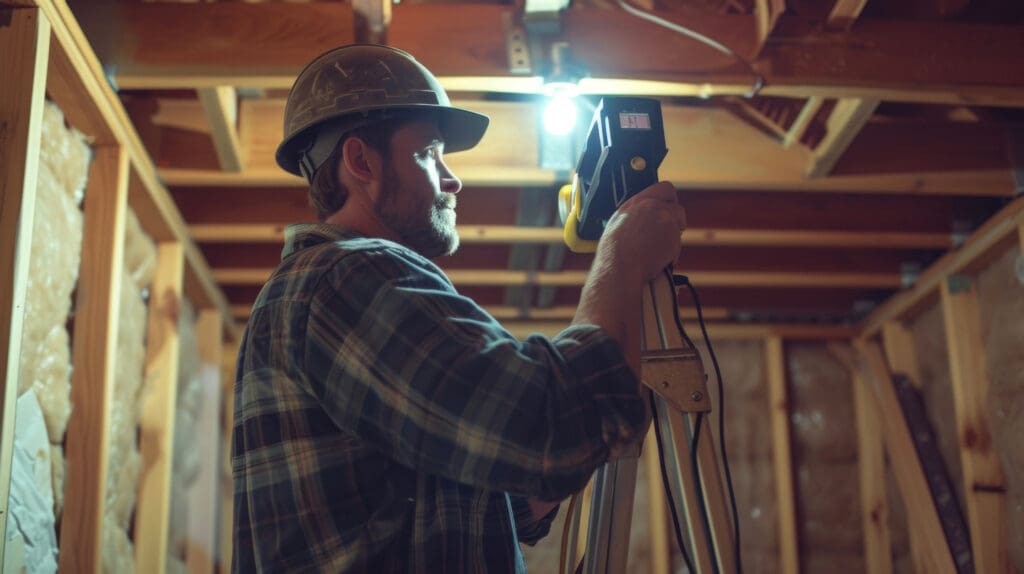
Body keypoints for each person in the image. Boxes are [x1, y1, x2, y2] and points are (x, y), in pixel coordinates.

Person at [232, 44, 686, 573]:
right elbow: (549, 423)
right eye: (429, 152)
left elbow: (460, 505)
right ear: (361, 161)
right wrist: (622, 258)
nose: (454, 178)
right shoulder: (344, 277)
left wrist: (546, 462)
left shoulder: (326, 292)